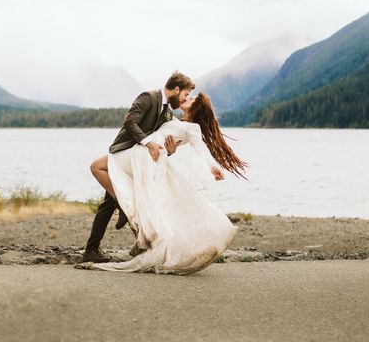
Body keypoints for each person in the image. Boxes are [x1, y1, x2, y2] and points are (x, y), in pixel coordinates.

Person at [83, 92, 248, 275]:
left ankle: (118, 245)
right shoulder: (174, 118)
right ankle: (102, 246)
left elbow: (199, 148)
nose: (188, 97)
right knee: (128, 201)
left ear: (196, 108)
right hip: (141, 157)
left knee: (129, 197)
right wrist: (166, 149)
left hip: (145, 161)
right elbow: (160, 140)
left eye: (191, 98)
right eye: (188, 94)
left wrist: (211, 166)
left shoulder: (191, 128)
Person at [81, 71, 196, 263]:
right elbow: (130, 122)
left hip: (139, 161)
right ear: (176, 89)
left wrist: (171, 150)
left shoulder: (167, 111)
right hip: (124, 152)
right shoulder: (149, 97)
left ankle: (94, 250)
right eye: (185, 94)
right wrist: (148, 142)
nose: (184, 98)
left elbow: (162, 139)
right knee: (113, 200)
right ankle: (101, 246)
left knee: (110, 204)